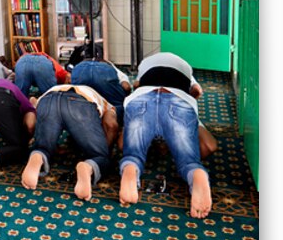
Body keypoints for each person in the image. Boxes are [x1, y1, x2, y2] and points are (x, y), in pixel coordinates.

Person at [118, 52, 213, 219]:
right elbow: (197, 91)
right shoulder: (185, 67)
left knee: (132, 153)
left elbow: (136, 84)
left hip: (142, 98)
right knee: (189, 161)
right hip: (178, 99)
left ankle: (130, 168)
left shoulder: (145, 64)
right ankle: (196, 173)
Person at [20, 83, 119, 202]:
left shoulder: (58, 86)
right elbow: (111, 125)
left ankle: (38, 155)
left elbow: (34, 105)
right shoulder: (106, 103)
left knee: (43, 147)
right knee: (100, 156)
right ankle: (88, 166)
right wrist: (105, 150)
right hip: (79, 104)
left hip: (47, 100)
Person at [70, 55, 131, 122]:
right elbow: (126, 87)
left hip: (80, 68)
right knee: (117, 105)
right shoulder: (112, 67)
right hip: (104, 71)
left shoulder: (80, 65)